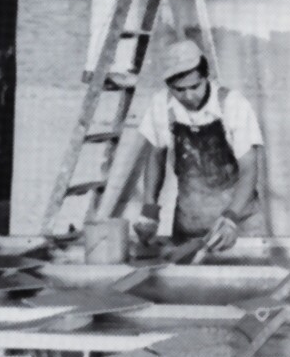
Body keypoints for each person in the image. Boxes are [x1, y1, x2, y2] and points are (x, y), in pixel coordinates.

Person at [95, 41, 265, 252]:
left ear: (206, 78)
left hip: (239, 223)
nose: (189, 96)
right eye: (179, 90)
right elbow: (156, 156)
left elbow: (249, 168)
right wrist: (149, 210)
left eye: (195, 87)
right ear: (169, 85)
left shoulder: (232, 104)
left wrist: (231, 217)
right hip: (190, 224)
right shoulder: (161, 105)